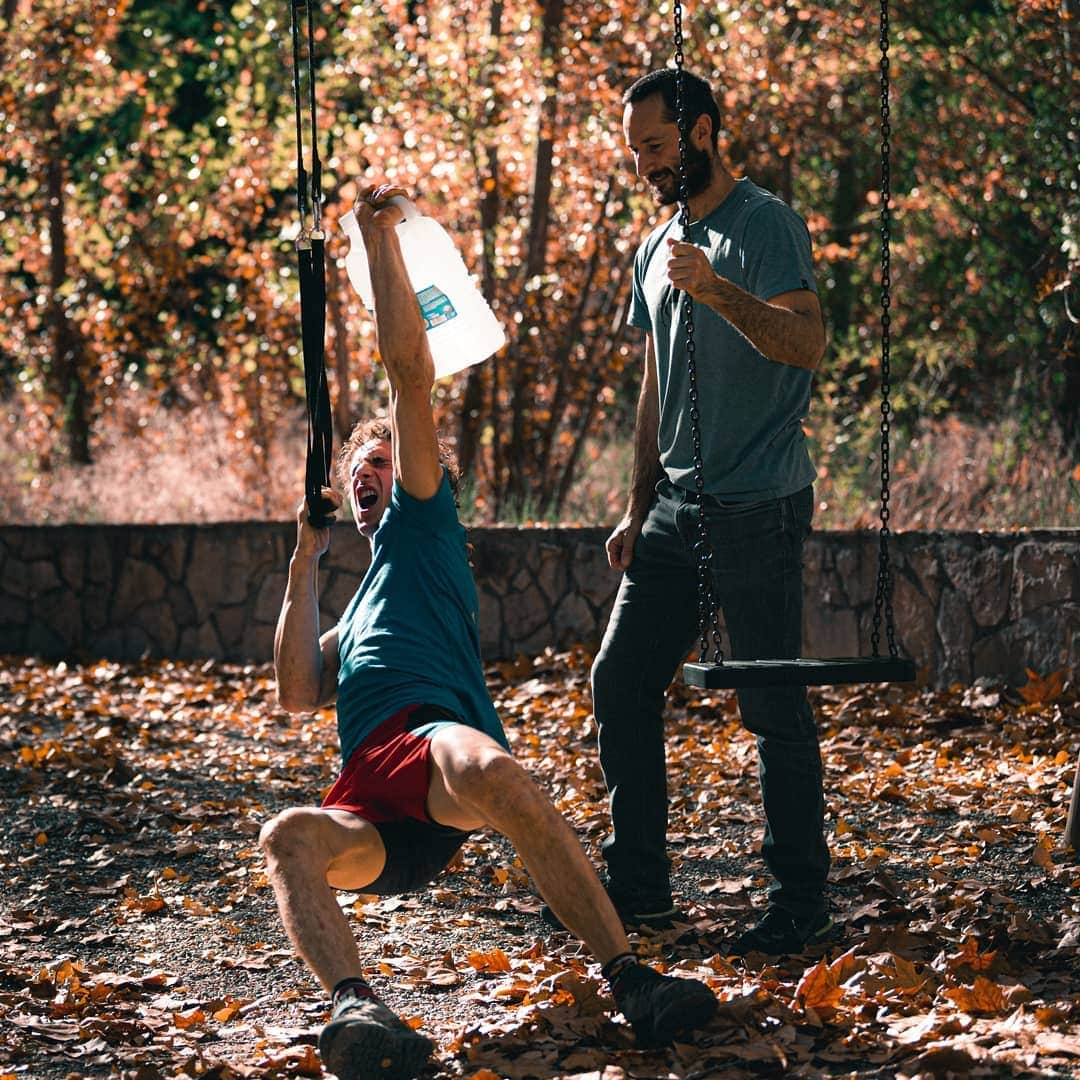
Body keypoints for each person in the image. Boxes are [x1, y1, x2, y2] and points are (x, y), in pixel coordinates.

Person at [259, 182, 718, 1080]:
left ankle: (632, 980)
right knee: (287, 838)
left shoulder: (424, 524)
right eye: (360, 465)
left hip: (437, 750)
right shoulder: (356, 608)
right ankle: (360, 1018)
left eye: (384, 460)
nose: (370, 473)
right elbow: (295, 692)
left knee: (496, 772)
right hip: (373, 799)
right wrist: (302, 561)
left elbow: (407, 375)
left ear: (420, 472)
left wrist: (373, 237)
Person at [587, 68, 833, 955]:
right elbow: (655, 380)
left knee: (772, 707)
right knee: (619, 681)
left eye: (654, 146)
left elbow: (805, 342)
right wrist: (636, 502)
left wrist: (718, 290)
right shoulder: (657, 243)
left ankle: (802, 899)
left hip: (757, 507)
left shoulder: (763, 223)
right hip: (675, 511)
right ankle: (640, 891)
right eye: (635, 151)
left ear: (701, 132)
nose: (645, 165)